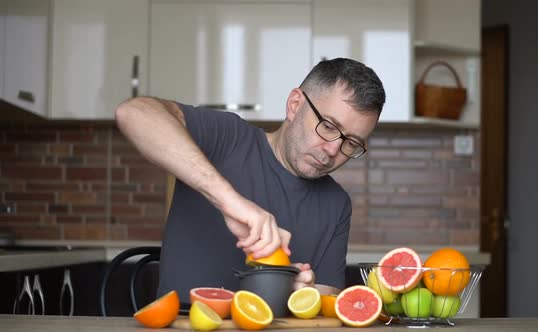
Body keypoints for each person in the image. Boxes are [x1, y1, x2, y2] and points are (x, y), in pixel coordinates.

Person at [115, 58, 385, 304]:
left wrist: (299, 292)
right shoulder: (228, 137)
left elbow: (325, 299)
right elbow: (134, 112)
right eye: (327, 126)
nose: (333, 150)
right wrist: (230, 202)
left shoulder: (336, 204)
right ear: (295, 105)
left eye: (351, 143)